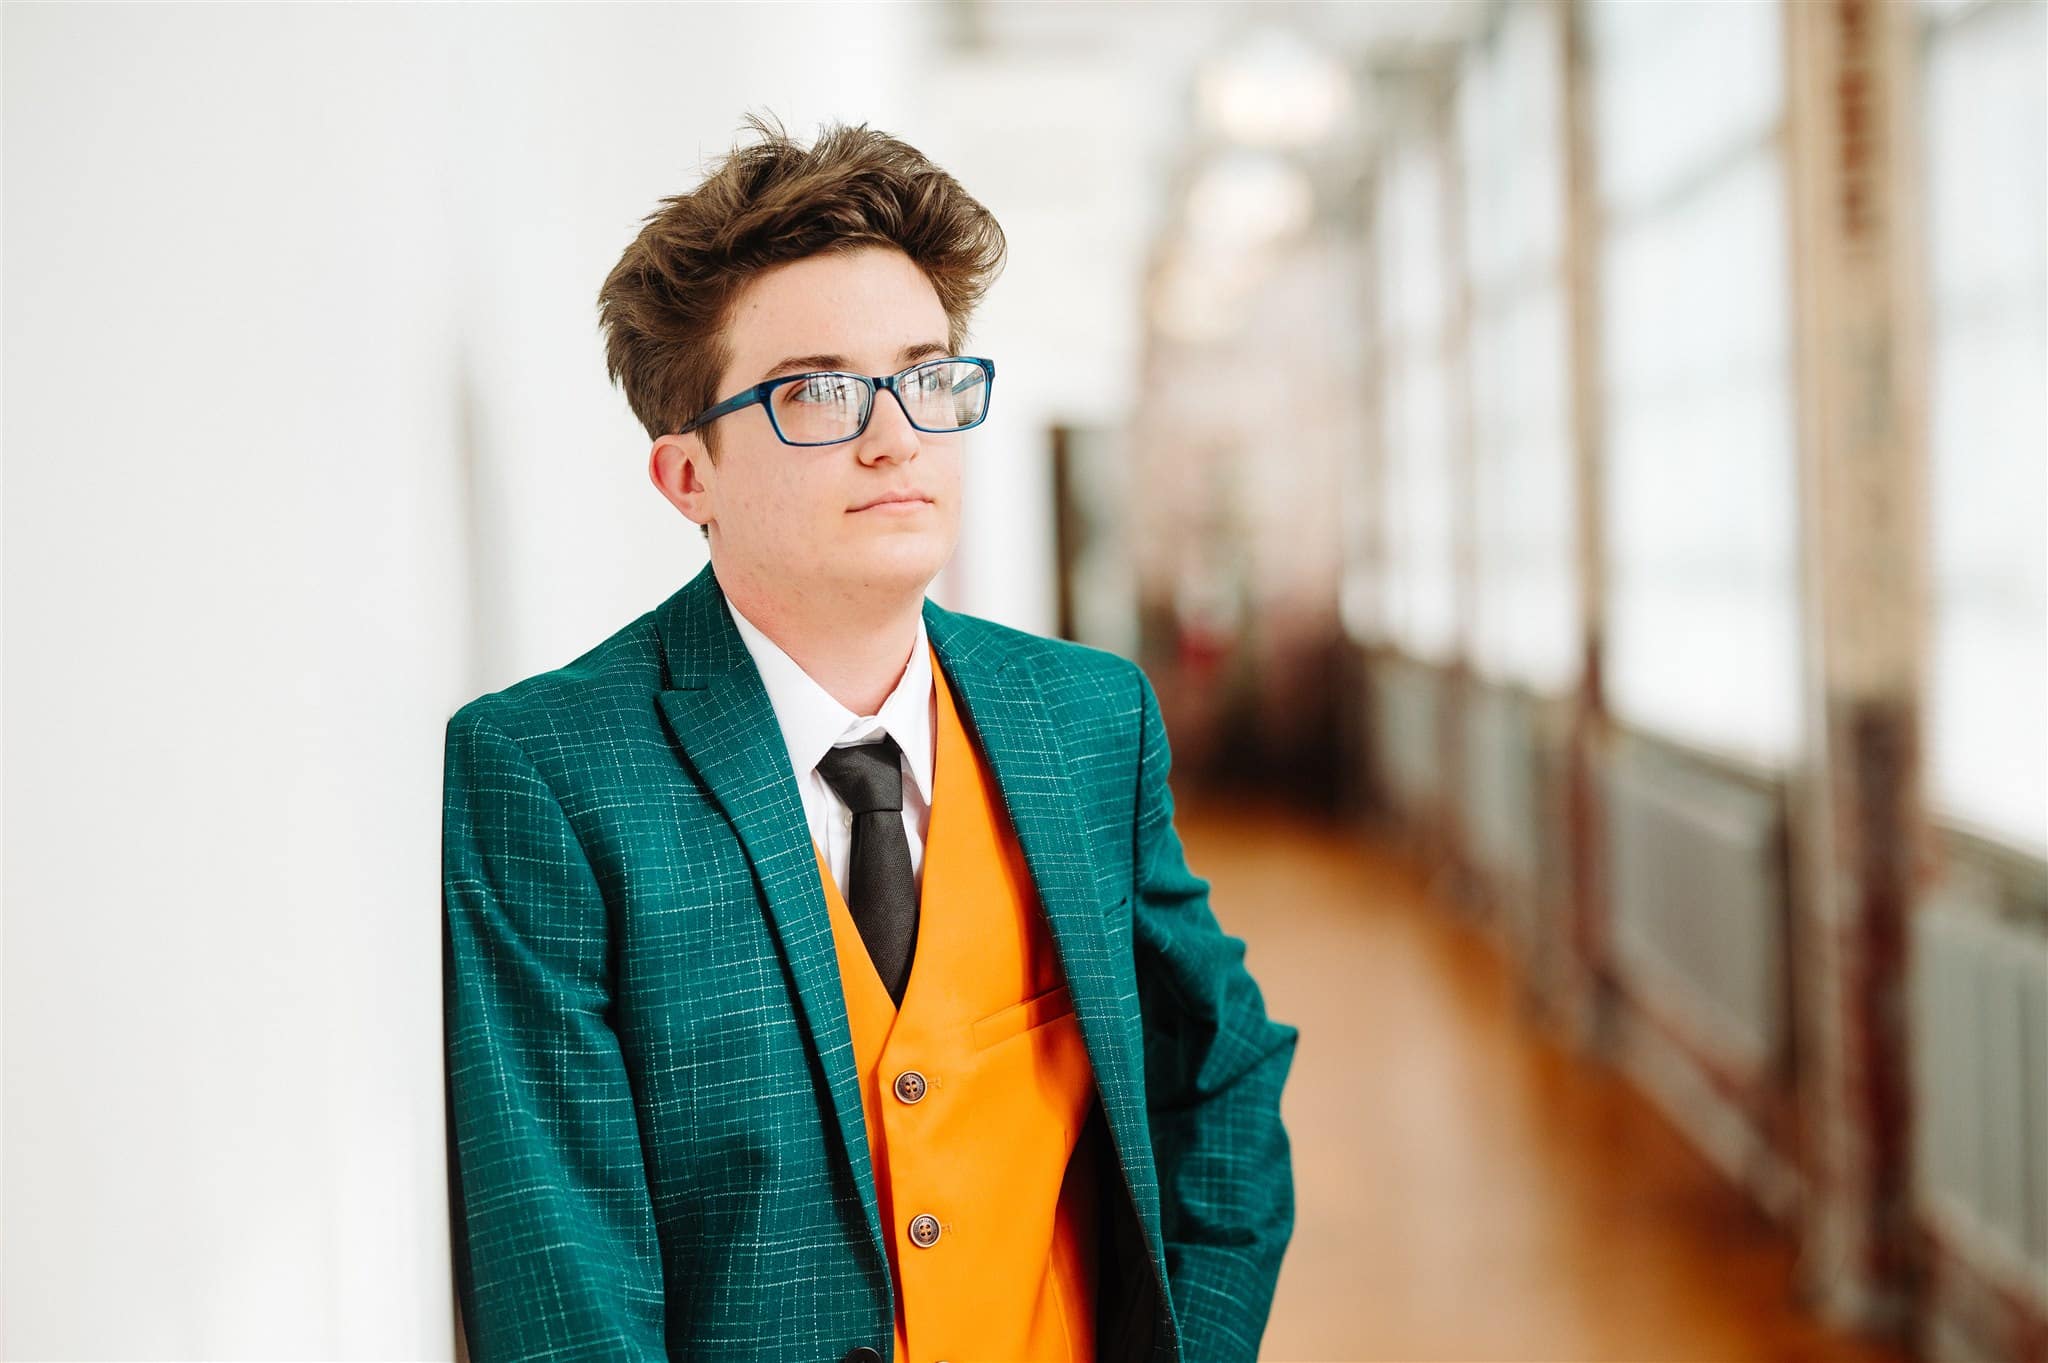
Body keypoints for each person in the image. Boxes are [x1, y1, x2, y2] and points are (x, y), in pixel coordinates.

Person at [441, 114, 1298, 1363]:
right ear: (689, 476)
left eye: (925, 374)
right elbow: (562, 1272)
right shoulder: (550, 775)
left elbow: (1222, 1068)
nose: (894, 433)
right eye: (817, 393)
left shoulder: (1087, 720)